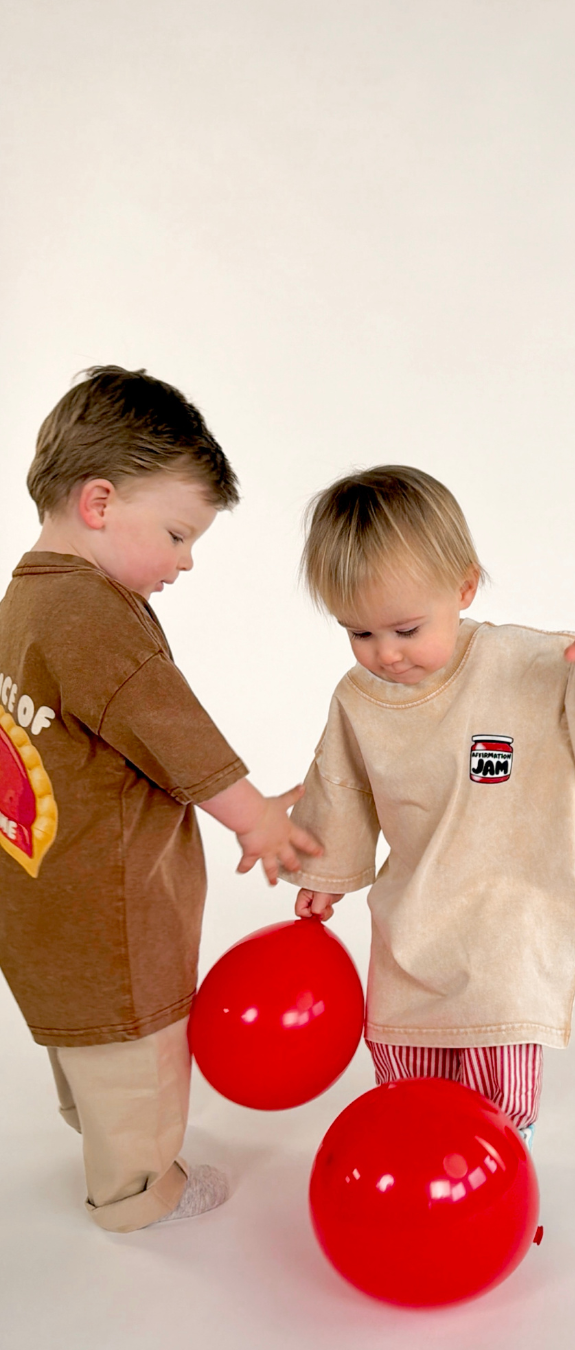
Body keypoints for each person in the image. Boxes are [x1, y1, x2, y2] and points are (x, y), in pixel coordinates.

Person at [0, 366, 321, 1232]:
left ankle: (103, 1134)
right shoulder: (93, 615)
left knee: (91, 1040)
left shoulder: (24, 601)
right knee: (139, 1045)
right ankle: (139, 1194)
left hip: (39, 899)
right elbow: (166, 723)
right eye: (178, 534)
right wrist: (257, 818)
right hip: (108, 907)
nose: (186, 561)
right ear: (99, 502)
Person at [281, 466, 575, 1147]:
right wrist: (323, 877)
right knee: (407, 1067)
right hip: (414, 917)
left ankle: (497, 1172)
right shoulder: (358, 700)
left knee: (496, 1080)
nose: (385, 654)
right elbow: (342, 788)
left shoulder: (530, 664)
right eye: (359, 634)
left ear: (464, 587)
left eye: (405, 628)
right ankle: (418, 1174)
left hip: (510, 919)